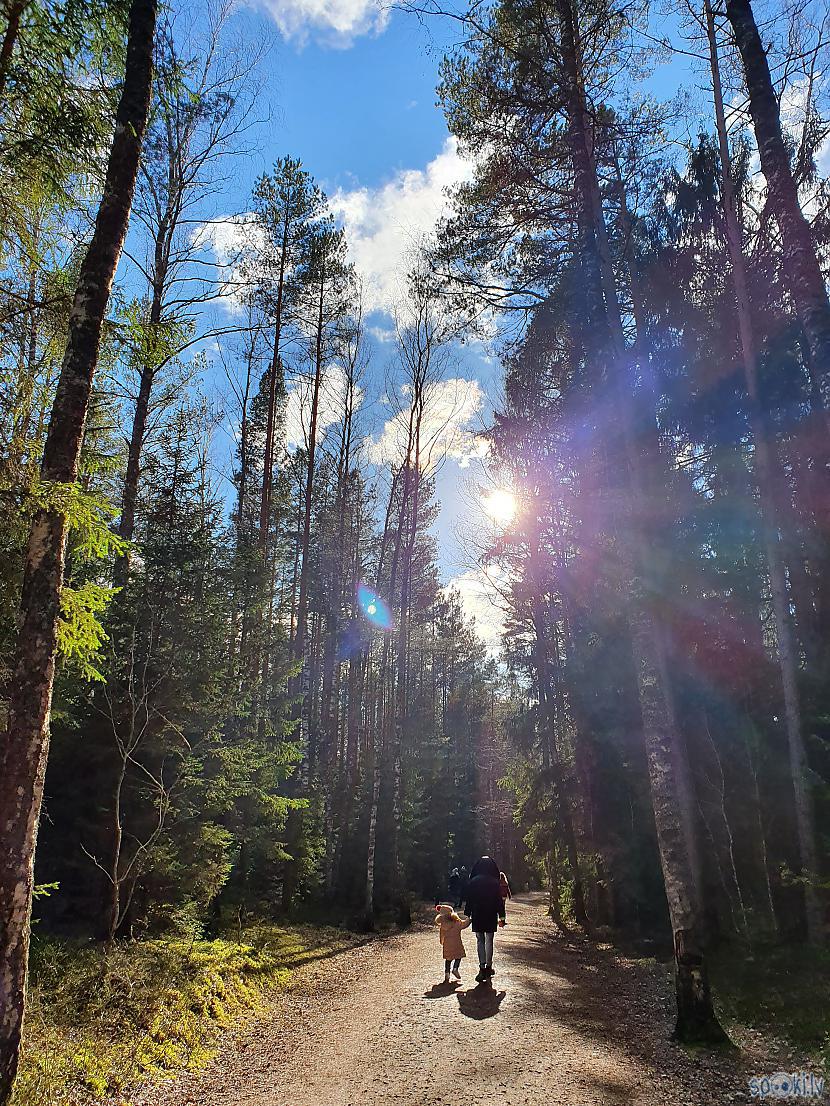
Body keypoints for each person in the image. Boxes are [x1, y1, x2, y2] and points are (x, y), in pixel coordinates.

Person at [463, 855, 506, 983]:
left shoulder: (473, 881)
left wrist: (467, 914)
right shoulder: (495, 882)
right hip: (491, 914)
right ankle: (489, 966)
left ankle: (482, 968)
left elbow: (469, 899)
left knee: (480, 940)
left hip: (478, 914)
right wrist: (502, 917)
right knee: (489, 940)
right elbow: (499, 902)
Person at [434, 903, 472, 982]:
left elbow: (442, 935)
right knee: (458, 956)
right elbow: (464, 924)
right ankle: (455, 968)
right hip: (457, 943)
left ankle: (447, 973)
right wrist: (469, 919)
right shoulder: (456, 922)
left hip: (447, 944)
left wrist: (442, 941)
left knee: (448, 959)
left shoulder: (443, 925)